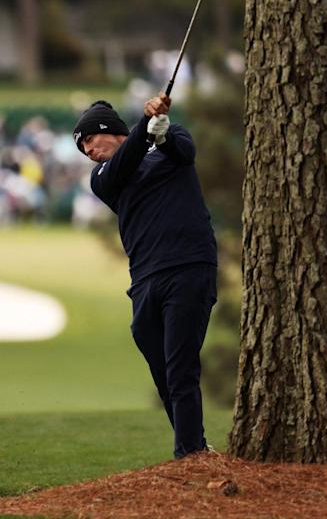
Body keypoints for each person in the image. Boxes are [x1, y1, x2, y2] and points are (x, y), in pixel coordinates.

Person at [73, 94, 217, 459]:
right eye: (82, 147)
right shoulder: (103, 176)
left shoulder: (172, 139)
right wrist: (145, 127)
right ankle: (196, 447)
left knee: (180, 366)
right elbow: (125, 163)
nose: (88, 150)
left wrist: (161, 132)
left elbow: (184, 154)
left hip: (188, 266)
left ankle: (189, 453)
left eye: (90, 139)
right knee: (163, 370)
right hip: (145, 280)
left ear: (109, 131)